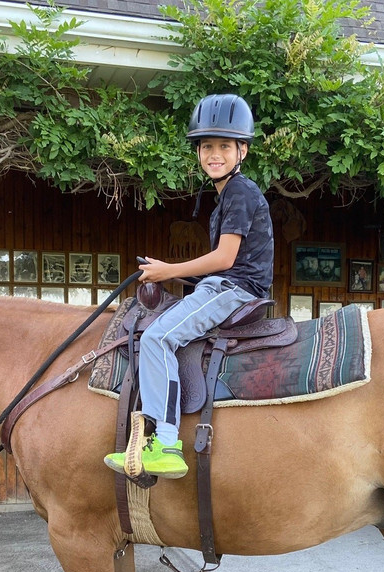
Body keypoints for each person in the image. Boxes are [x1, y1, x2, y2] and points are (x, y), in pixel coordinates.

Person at [104, 93, 274, 479]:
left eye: (224, 147)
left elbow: (226, 259)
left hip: (234, 289)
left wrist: (169, 270)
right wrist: (170, 273)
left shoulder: (241, 193)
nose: (215, 154)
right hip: (226, 284)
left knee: (157, 339)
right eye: (207, 146)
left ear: (242, 150)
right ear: (198, 152)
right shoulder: (225, 197)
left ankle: (165, 443)